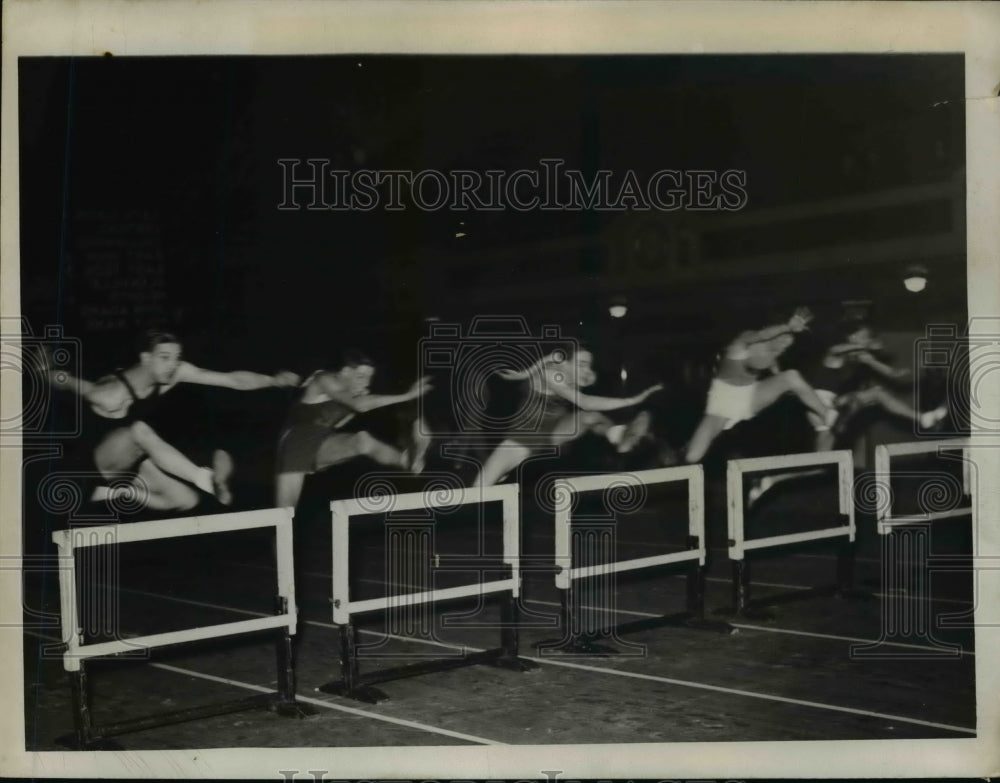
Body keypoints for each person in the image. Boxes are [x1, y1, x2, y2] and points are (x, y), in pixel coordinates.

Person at [46, 329, 300, 512]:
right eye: (164, 358)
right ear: (146, 358)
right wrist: (44, 371)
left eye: (176, 358)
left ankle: (115, 492)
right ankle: (203, 478)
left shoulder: (174, 372)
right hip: (92, 464)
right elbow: (67, 382)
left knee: (185, 500)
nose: (172, 365)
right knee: (138, 430)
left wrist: (272, 381)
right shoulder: (111, 394)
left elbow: (231, 379)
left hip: (132, 461)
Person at [473, 346, 663, 487]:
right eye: (581, 365)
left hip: (554, 432)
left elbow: (562, 365)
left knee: (590, 417)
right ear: (564, 364)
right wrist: (633, 400)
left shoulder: (570, 372)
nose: (586, 370)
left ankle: (617, 435)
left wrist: (527, 372)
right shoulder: (551, 375)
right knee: (476, 493)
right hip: (521, 441)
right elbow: (585, 401)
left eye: (588, 365)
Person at [274, 350, 433, 508]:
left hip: (321, 442)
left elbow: (339, 421)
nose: (366, 383)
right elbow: (360, 405)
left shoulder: (352, 394)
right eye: (361, 377)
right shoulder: (323, 379)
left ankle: (407, 462)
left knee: (363, 441)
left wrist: (414, 418)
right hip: (295, 446)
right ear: (345, 372)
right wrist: (407, 396)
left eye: (369, 378)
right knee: (285, 517)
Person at [684, 307, 834, 464]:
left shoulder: (775, 354)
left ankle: (829, 417)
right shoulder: (743, 342)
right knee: (692, 456)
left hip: (750, 397)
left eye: (789, 340)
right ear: (773, 332)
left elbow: (779, 376)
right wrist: (788, 326)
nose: (785, 345)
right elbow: (761, 335)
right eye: (782, 339)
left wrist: (800, 393)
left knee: (791, 376)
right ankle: (679, 459)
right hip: (722, 403)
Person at [802, 319, 949, 450]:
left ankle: (923, 419)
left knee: (823, 461)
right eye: (864, 337)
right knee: (872, 394)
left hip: (834, 406)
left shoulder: (862, 357)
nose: (868, 340)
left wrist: (916, 368)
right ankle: (840, 421)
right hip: (818, 404)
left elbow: (892, 373)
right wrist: (864, 347)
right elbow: (834, 350)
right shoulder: (836, 356)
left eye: (868, 338)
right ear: (852, 337)